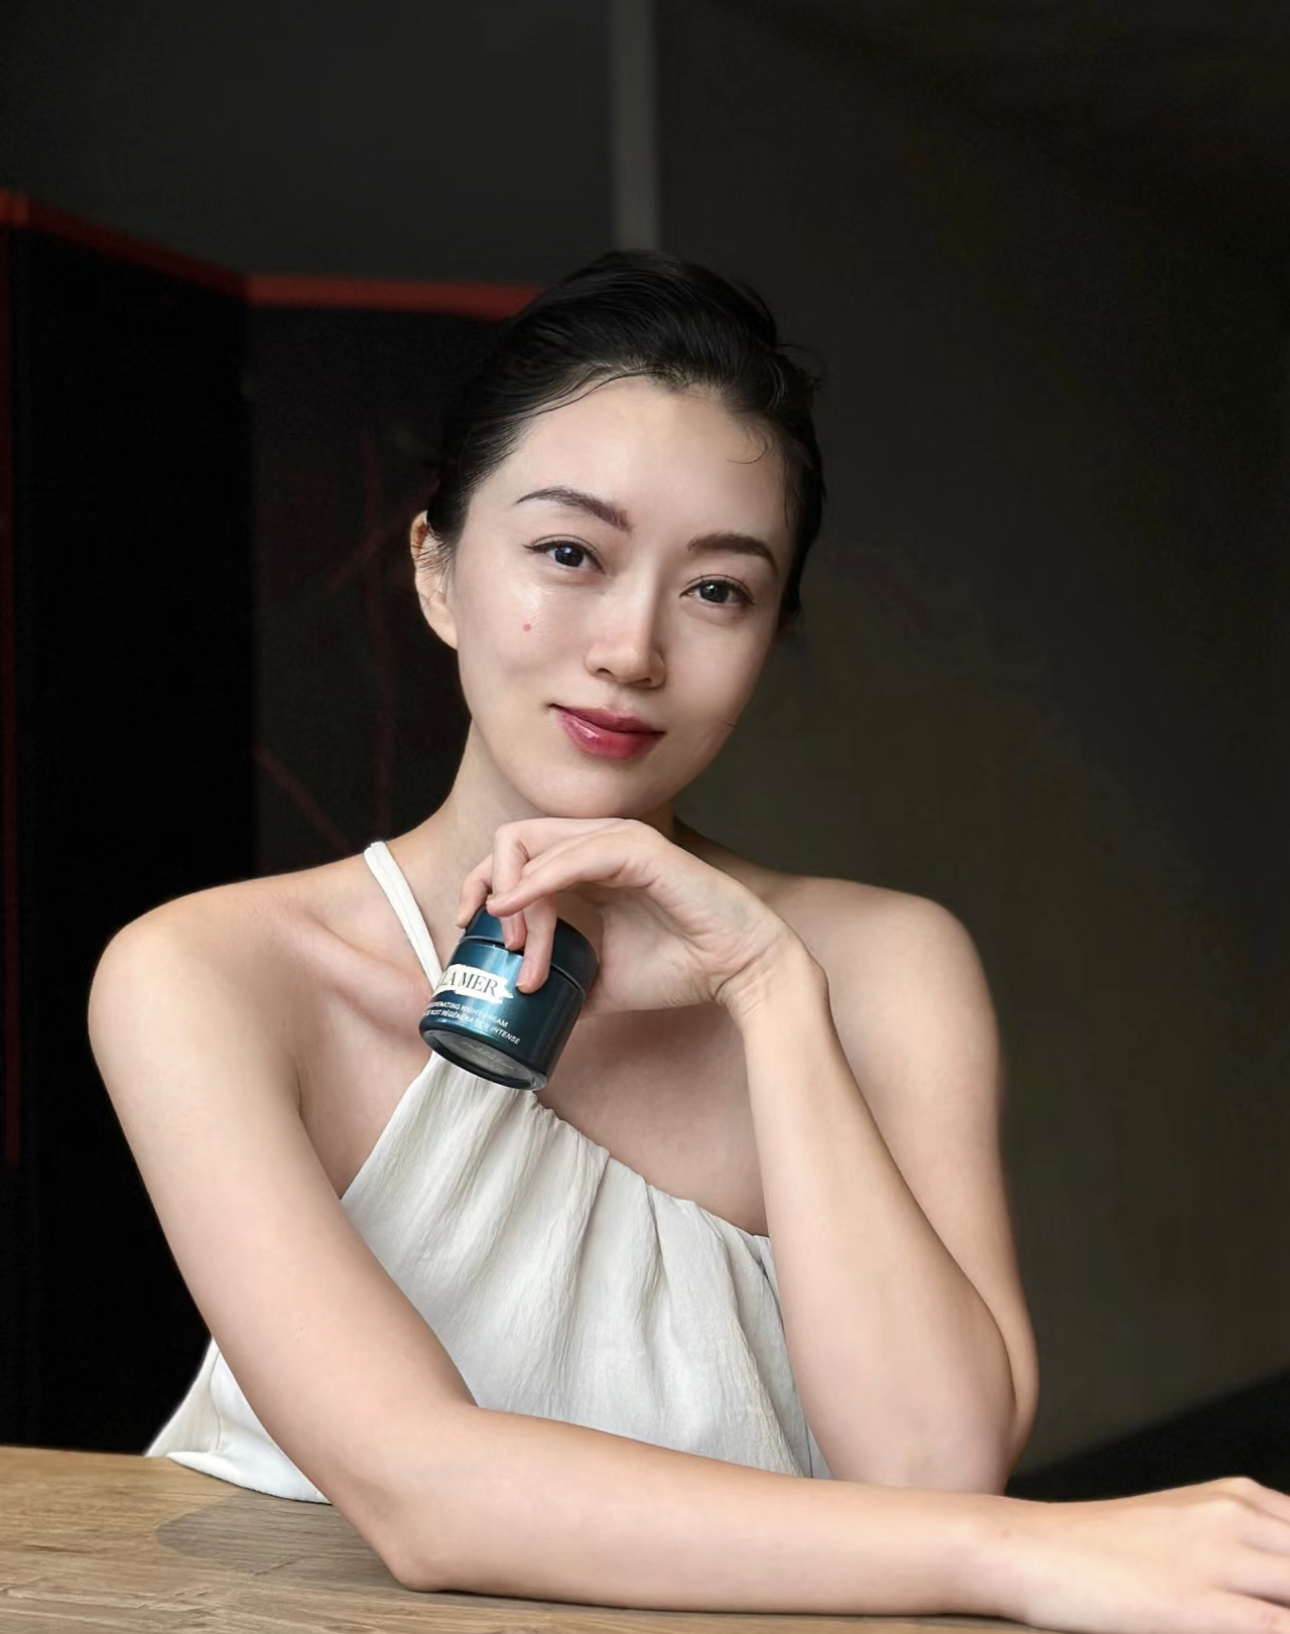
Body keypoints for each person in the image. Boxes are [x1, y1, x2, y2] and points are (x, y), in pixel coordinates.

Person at [89, 251, 1290, 1629]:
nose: (631, 649)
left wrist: (769, 992)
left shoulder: (885, 963)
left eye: (717, 590)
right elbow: (423, 1492)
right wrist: (1012, 1554)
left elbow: (929, 1467)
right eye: (569, 554)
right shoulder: (210, 977)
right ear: (437, 571)